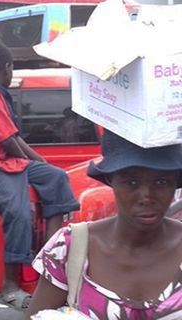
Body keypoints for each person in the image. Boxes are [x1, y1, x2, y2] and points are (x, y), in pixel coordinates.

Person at [0, 43, 80, 310]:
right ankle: (9, 286)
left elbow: (12, 137)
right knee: (18, 212)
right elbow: (7, 141)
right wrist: (32, 159)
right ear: (7, 68)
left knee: (56, 177)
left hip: (9, 163)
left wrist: (40, 162)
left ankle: (50, 264)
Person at [26, 131, 182, 319]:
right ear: (110, 180)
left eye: (161, 181)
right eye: (131, 182)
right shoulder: (70, 248)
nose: (146, 196)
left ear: (175, 182)